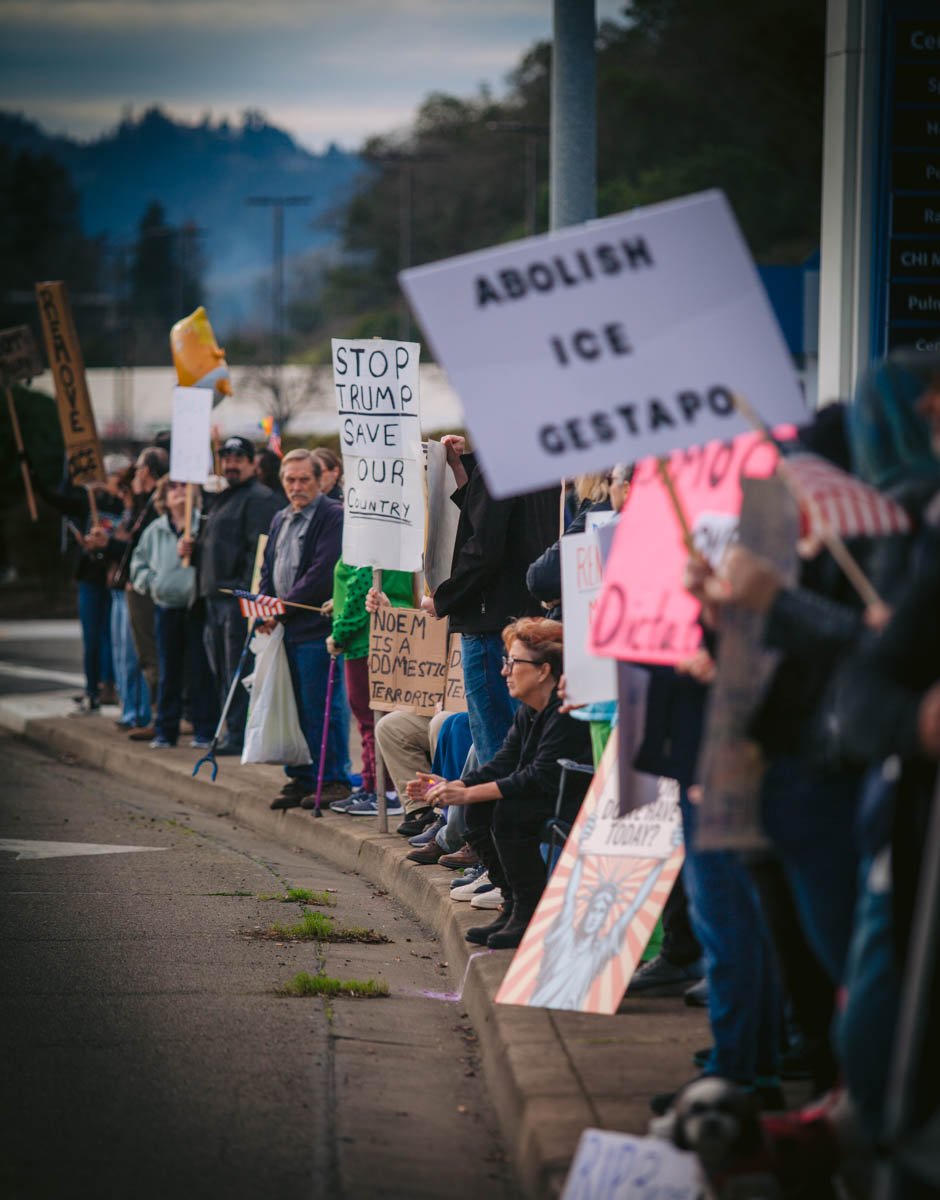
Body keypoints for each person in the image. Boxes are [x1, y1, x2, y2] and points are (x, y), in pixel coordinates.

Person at [425, 617, 593, 949]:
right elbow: (502, 763)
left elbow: (540, 777)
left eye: (513, 662)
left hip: (573, 799)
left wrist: (468, 791)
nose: (505, 671)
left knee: (509, 812)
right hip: (544, 793)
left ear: (544, 670)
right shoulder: (528, 710)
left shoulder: (564, 712)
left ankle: (528, 911)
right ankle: (512, 904)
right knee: (480, 807)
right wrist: (456, 786)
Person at [421, 435, 560, 766]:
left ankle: (496, 817)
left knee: (495, 746)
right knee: (517, 740)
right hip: (524, 617)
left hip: (489, 620)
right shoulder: (543, 462)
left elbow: (484, 548)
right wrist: (460, 467)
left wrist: (444, 597)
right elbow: (489, 519)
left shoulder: (499, 463)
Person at [259, 449, 351, 809]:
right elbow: (268, 568)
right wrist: (263, 606)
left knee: (321, 707)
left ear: (319, 481)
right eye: (290, 480)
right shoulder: (281, 517)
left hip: (315, 628)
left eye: (304, 480)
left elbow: (321, 572)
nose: (296, 487)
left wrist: (278, 609)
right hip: (285, 628)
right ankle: (300, 777)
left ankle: (332, 779)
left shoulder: (332, 515)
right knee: (292, 706)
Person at [181, 436, 281, 756]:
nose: (232, 463)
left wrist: (249, 597)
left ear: (253, 463)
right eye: (226, 457)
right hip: (212, 599)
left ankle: (238, 734)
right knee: (222, 671)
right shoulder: (223, 497)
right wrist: (193, 551)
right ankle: (232, 731)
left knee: (237, 670)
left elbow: (258, 552)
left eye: (239, 457)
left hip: (236, 600)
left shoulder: (260, 498)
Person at [130, 478, 217, 749]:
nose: (179, 492)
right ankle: (166, 730)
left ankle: (204, 729)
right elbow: (138, 565)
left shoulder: (201, 524)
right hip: (166, 607)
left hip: (195, 606)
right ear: (163, 497)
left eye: (184, 486)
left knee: (199, 669)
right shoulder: (155, 530)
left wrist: (196, 550)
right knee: (169, 670)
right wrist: (152, 583)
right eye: (173, 488)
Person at [326, 559, 413, 816]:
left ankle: (384, 790)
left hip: (366, 639)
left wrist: (339, 633)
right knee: (369, 719)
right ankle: (370, 784)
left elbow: (361, 586)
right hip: (379, 632)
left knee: (371, 718)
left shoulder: (367, 537)